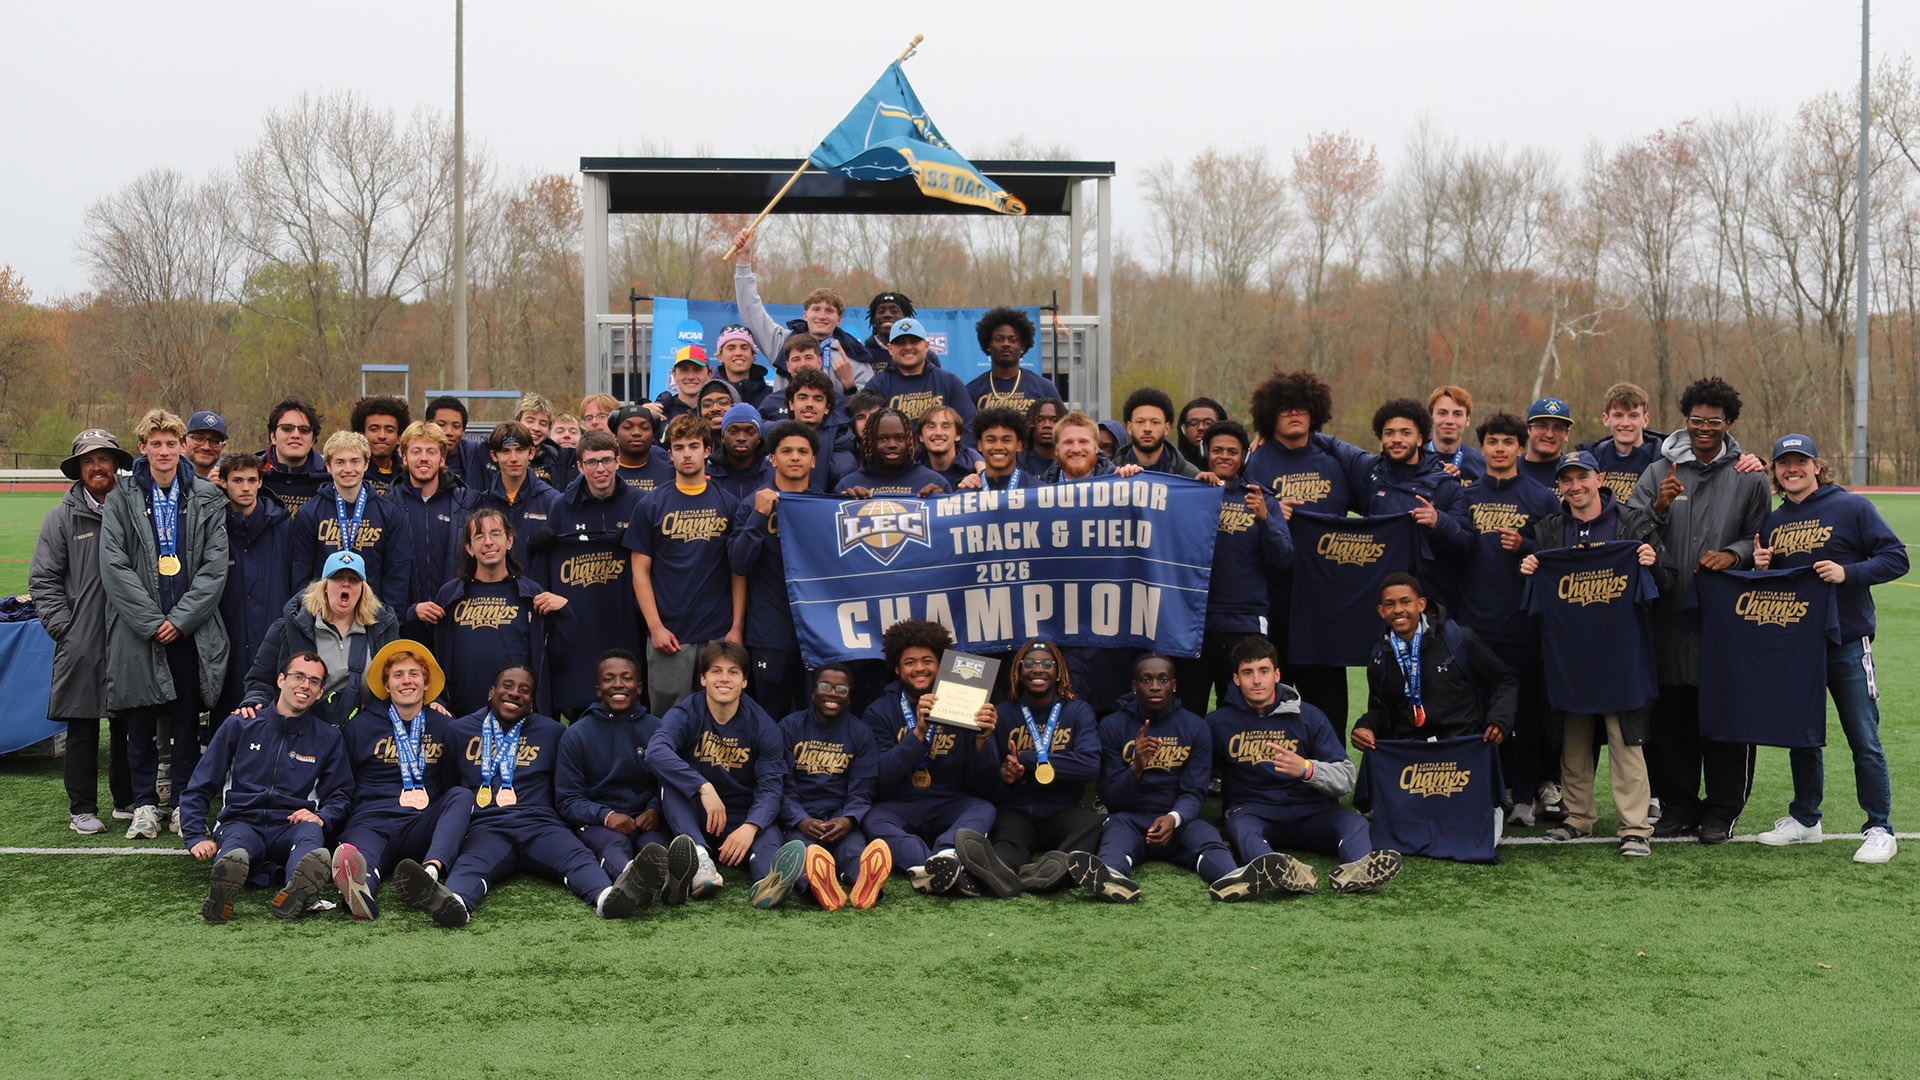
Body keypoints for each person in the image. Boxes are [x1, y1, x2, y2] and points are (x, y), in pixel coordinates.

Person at [390, 665, 656, 927]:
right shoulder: (459, 730)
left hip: (540, 823)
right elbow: (449, 782)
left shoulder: (553, 732)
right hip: (487, 825)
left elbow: (567, 786)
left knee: (578, 857)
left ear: (532, 703)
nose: (515, 693)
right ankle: (456, 905)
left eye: (525, 690)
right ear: (491, 692)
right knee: (469, 866)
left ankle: (607, 899)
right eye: (507, 686)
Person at [1751, 434, 1909, 863]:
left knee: (1863, 737)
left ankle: (1880, 828)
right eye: (1784, 463)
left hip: (1847, 643)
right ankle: (1806, 819)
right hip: (1797, 646)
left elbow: (1897, 558)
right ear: (1775, 472)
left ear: (1817, 466)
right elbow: (1776, 589)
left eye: (1800, 461)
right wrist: (1761, 567)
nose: (1792, 469)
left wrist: (1848, 573)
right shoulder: (1773, 522)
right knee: (1801, 736)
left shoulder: (1852, 507)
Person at [1628, 376, 1770, 844]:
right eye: (1696, 420)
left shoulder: (1749, 476)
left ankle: (1722, 810)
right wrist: (1659, 507)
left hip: (1726, 617)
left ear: (1729, 424)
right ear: (1684, 420)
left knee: (1724, 714)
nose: (1704, 428)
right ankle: (1679, 806)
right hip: (1668, 613)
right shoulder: (1658, 471)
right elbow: (1629, 531)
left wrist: (1733, 554)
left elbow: (1761, 538)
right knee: (1671, 716)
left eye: (1714, 421)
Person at [1520, 451, 1666, 856]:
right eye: (1566, 480)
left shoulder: (1633, 523)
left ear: (1599, 478)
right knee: (1573, 737)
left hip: (1623, 651)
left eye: (1582, 477)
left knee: (1625, 739)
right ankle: (1578, 817)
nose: (1575, 486)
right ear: (1559, 487)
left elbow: (1667, 580)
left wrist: (1652, 562)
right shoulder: (1550, 530)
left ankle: (1634, 827)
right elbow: (1535, 591)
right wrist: (1530, 567)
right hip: (1569, 653)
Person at [102, 409, 229, 841]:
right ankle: (143, 804)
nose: (163, 451)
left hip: (188, 630)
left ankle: (180, 803)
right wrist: (152, 621)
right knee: (139, 721)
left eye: (170, 443)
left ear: (182, 447)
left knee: (185, 722)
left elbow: (214, 568)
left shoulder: (207, 497)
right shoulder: (121, 498)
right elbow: (114, 565)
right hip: (138, 630)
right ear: (142, 448)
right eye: (155, 443)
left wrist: (180, 619)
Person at [1207, 637, 1403, 897]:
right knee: (1240, 827)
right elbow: (1197, 773)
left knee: (1353, 824)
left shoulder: (1309, 716)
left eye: (1264, 671)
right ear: (1236, 679)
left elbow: (1346, 778)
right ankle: (1277, 868)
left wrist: (1307, 769)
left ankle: (1357, 870)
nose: (1256, 681)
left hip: (1311, 810)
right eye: (1248, 673)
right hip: (1254, 810)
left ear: (1277, 675)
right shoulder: (1218, 723)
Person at [1243, 369, 1372, 729]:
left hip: (1325, 604)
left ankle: (1328, 760)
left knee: (1328, 705)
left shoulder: (1334, 460)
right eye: (1284, 408)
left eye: (1301, 406)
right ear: (1269, 415)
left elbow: (1380, 500)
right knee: (1270, 704)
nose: (1294, 413)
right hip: (1275, 601)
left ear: (1316, 410)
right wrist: (1271, 516)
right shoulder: (1256, 461)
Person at [179, 651, 350, 922]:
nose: (305, 685)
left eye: (314, 681)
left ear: (320, 693)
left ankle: (295, 892)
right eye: (298, 677)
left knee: (310, 839)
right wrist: (195, 835)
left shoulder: (328, 737)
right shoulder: (240, 724)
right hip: (242, 821)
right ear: (281, 680)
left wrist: (322, 816)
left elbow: (341, 793)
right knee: (237, 849)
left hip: (292, 824)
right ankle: (222, 893)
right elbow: (201, 783)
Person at [1455, 413, 1562, 826]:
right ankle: (1489, 793)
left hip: (1523, 623)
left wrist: (1525, 544)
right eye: (1492, 441)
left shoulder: (1541, 498)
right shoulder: (1465, 496)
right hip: (1475, 625)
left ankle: (1525, 797)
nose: (1499, 448)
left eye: (1507, 442)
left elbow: (1554, 554)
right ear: (1482, 447)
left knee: (1526, 714)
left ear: (1520, 447)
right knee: (1479, 714)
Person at [647, 641, 806, 909]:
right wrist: (703, 787)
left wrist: (750, 826)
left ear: (744, 681)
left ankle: (768, 882)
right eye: (716, 671)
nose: (724, 679)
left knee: (767, 835)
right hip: (697, 812)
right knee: (670, 784)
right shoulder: (686, 712)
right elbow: (656, 752)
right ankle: (700, 861)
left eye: (733, 672)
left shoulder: (763, 725)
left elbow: (770, 788)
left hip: (741, 816)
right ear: (703, 679)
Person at [32, 429, 135, 834]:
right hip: (82, 638)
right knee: (82, 725)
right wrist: (66, 629)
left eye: (104, 459)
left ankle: (127, 800)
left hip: (129, 635)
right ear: (78, 469)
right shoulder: (61, 518)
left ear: (116, 465)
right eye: (89, 461)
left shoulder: (134, 510)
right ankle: (83, 809)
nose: (97, 467)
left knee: (129, 724)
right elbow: (43, 580)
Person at [1069, 655, 1236, 903]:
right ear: (1134, 686)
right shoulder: (1112, 726)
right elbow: (1111, 799)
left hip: (1179, 819)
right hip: (1130, 818)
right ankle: (1112, 878)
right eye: (1146, 680)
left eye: (1163, 679)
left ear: (1174, 685)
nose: (1155, 686)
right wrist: (1136, 767)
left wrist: (1173, 818)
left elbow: (1194, 792)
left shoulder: (1195, 727)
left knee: (1207, 838)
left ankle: (1231, 879)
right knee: (1114, 838)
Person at [330, 642, 473, 919]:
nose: (406, 681)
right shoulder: (359, 727)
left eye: (414, 674)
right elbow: (345, 783)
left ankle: (430, 874)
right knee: (362, 860)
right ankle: (360, 892)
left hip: (422, 823)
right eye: (398, 675)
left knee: (461, 795)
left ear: (426, 683)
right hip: (372, 820)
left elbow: (450, 780)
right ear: (386, 685)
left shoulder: (446, 726)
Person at [861, 619, 1001, 897]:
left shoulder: (967, 704)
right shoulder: (879, 711)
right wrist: (919, 732)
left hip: (951, 801)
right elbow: (882, 779)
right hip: (901, 804)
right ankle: (941, 865)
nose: (919, 668)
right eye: (910, 662)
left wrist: (982, 741)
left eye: (927, 661)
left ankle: (946, 855)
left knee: (984, 808)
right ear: (897, 668)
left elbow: (985, 784)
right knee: (873, 819)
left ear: (940, 666)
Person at [958, 640, 1104, 897]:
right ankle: (1001, 871)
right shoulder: (1001, 713)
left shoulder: (1078, 711)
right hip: (1016, 809)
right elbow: (983, 782)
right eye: (1029, 663)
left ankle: (1053, 869)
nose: (1038, 669)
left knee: (1092, 823)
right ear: (1018, 672)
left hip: (1062, 810)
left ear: (1058, 673)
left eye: (1047, 664)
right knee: (1007, 843)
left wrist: (1028, 759)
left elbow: (1090, 765)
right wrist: (1006, 776)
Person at [625, 414, 746, 714]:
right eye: (679, 448)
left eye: (694, 446)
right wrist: (655, 627)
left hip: (718, 631)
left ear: (707, 451)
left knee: (720, 715)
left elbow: (738, 570)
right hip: (670, 633)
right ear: (669, 454)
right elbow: (639, 572)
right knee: (669, 718)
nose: (687, 454)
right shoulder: (651, 505)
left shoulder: (728, 503)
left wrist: (736, 627)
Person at [1176, 421, 1292, 714]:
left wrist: (1265, 519)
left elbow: (1283, 560)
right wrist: (1193, 493)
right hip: (1194, 625)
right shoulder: (1188, 493)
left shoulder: (1262, 499)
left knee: (1242, 713)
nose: (1225, 456)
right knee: (1189, 710)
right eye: (1218, 450)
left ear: (1244, 456)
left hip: (1245, 624)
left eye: (1232, 451)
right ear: (1206, 452)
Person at [536, 430, 644, 717]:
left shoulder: (640, 503)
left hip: (625, 617)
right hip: (580, 621)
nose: (600, 469)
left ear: (618, 461)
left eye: (607, 460)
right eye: (592, 462)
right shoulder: (562, 506)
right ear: (579, 466)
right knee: (580, 703)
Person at [1350, 574, 1516, 750]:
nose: (1398, 610)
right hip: (1412, 751)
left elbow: (1504, 680)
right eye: (1390, 604)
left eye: (1406, 602)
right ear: (1381, 611)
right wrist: (1365, 727)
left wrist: (1499, 719)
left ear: (1421, 604)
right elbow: (1380, 709)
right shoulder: (1381, 655)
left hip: (1464, 746)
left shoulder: (1458, 639)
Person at [433, 508, 572, 716]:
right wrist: (414, 615)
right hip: (462, 716)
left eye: (495, 534)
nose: (488, 542)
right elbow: (432, 653)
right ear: (469, 547)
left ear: (509, 541)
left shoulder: (532, 594)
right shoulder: (450, 595)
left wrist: (564, 613)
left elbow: (558, 654)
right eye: (479, 536)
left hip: (519, 715)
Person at [778, 663, 891, 910]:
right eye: (825, 686)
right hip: (802, 818)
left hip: (840, 816)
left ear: (849, 697)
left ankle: (865, 882)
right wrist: (800, 819)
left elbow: (863, 787)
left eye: (841, 689)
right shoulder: (789, 727)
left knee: (853, 850)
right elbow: (782, 784)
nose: (832, 694)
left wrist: (849, 819)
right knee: (804, 853)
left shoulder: (860, 732)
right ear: (812, 692)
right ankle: (817, 886)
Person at [242, 551, 399, 728]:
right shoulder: (288, 627)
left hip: (363, 730)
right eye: (337, 578)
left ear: (363, 589)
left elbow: (396, 680)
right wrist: (254, 701)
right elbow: (260, 679)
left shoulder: (382, 629)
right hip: (304, 728)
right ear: (324, 586)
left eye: (354, 580)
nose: (346, 584)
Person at [556, 650, 672, 888]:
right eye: (609, 679)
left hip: (645, 820)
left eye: (626, 678)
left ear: (639, 687)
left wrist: (655, 810)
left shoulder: (658, 729)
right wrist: (606, 816)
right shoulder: (576, 734)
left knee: (656, 848)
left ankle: (672, 884)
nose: (618, 684)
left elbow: (667, 783)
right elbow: (567, 800)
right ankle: (632, 881)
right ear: (598, 689)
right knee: (614, 846)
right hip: (599, 823)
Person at [729, 421, 820, 716]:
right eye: (787, 451)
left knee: (815, 718)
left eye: (802, 452)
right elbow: (739, 563)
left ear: (813, 460)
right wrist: (759, 515)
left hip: (818, 633)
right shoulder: (752, 505)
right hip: (770, 634)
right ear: (773, 459)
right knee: (769, 716)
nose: (795, 457)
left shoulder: (823, 504)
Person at [1357, 397, 1473, 612]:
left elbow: (1466, 547)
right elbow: (1337, 448)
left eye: (1405, 433)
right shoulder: (1369, 477)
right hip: (1378, 597)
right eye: (1389, 433)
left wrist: (1439, 521)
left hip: (1431, 601)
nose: (1397, 439)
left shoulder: (1446, 484)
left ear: (1420, 439)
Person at [733, 228, 875, 395]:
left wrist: (849, 385)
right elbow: (751, 312)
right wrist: (743, 258)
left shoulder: (854, 355)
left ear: (839, 319)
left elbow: (868, 404)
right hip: (786, 413)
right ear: (805, 315)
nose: (821, 316)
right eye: (816, 309)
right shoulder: (783, 342)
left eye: (829, 311)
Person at [212, 450, 297, 724]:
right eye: (237, 480)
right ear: (224, 482)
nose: (245, 488)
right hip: (228, 636)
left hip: (273, 635)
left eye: (251, 480)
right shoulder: (214, 525)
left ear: (261, 482)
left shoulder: (284, 526)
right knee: (227, 717)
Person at [290, 431, 413, 611]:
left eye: (355, 461)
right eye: (340, 462)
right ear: (328, 466)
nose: (348, 469)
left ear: (366, 464)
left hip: (372, 615)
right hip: (323, 615)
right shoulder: (309, 512)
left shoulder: (389, 513)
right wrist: (309, 614)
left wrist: (388, 618)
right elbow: (301, 570)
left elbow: (397, 573)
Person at [389, 420, 472, 643]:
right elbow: (382, 572)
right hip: (405, 628)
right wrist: (410, 610)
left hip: (457, 624)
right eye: (416, 451)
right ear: (404, 458)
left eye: (431, 451)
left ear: (442, 459)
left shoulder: (465, 505)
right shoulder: (387, 506)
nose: (424, 458)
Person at [867, 318, 975, 427]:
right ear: (890, 349)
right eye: (900, 343)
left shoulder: (949, 382)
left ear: (926, 346)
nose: (908, 347)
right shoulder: (877, 386)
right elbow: (865, 427)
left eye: (914, 341)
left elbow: (969, 425)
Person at [470, 421, 561, 539]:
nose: (513, 458)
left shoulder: (552, 501)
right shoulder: (481, 503)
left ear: (531, 453)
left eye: (520, 450)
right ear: (494, 455)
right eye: (505, 451)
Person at [837, 407, 950, 498]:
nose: (892, 445)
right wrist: (846, 502)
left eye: (900, 438)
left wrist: (941, 502)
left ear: (910, 441)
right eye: (882, 439)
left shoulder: (934, 482)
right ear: (869, 442)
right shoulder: (848, 485)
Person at [1581, 382, 1665, 501]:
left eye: (1633, 416)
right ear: (1606, 419)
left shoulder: (1663, 461)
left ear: (1645, 420)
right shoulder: (1592, 459)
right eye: (1618, 415)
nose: (1625, 423)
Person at [967, 307, 1060, 414]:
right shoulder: (972, 390)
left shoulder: (1044, 388)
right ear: (988, 345)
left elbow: (1060, 423)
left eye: (1013, 340)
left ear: (1023, 347)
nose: (1006, 344)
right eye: (999, 339)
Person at [256, 397, 330, 514]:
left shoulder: (330, 478)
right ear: (273, 436)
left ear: (313, 440)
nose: (296, 435)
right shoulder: (251, 474)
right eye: (287, 429)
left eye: (304, 430)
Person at [1117, 387, 1203, 478]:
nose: (1147, 429)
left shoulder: (1190, 476)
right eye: (1140, 422)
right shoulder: (1112, 474)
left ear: (1167, 428)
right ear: (1129, 427)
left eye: (1155, 422)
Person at [512, 392, 577, 490]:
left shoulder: (562, 459)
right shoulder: (500, 455)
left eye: (543, 423)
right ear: (517, 422)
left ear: (549, 429)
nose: (536, 428)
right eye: (530, 421)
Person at [1424, 385, 1485, 485]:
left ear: (1467, 420)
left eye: (1457, 414)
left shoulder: (1480, 463)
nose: (1449, 421)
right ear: (1431, 417)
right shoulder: (1414, 459)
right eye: (1442, 413)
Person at [425, 395, 491, 487]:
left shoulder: (477, 455)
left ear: (463, 431)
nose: (449, 432)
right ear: (428, 426)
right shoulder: (414, 457)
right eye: (441, 425)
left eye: (456, 426)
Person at [709, 404, 771, 501]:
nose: (741, 438)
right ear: (722, 438)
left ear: (759, 439)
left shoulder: (773, 475)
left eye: (750, 432)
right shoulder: (707, 475)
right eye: (733, 431)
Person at [350, 395, 410, 494]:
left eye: (389, 430)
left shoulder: (409, 475)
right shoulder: (348, 473)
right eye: (374, 429)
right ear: (361, 435)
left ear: (399, 438)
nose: (382, 436)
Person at [610, 403, 674, 495]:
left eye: (644, 428)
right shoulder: (605, 471)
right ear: (615, 435)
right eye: (627, 427)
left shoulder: (670, 473)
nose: (636, 433)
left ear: (653, 435)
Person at [970, 408, 1038, 491]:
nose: (998, 447)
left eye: (1006, 440)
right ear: (980, 445)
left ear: (1019, 445)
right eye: (991, 440)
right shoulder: (965, 492)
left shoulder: (1038, 491)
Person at [917, 406, 983, 488]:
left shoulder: (974, 470)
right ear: (921, 436)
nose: (938, 433)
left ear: (958, 435)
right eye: (931, 427)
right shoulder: (912, 470)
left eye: (945, 427)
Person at [711, 324, 772, 409]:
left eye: (744, 348)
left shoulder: (771, 396)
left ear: (753, 356)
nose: (738, 353)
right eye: (731, 348)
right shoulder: (708, 394)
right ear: (720, 356)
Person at [1519, 397, 1575, 490]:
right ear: (1528, 429)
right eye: (1542, 426)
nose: (1549, 435)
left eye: (1558, 428)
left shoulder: (1574, 474)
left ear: (1567, 434)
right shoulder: (1510, 471)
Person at [653, 349, 713, 425]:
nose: (691, 377)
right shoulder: (659, 412)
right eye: (684, 370)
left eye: (697, 370)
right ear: (674, 374)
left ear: (709, 374)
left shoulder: (717, 412)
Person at [861, 291, 916, 368]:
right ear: (873, 321)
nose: (887, 315)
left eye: (894, 311)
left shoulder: (921, 355)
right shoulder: (861, 355)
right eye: (881, 311)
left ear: (906, 319)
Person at [1175, 397, 1227, 471]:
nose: (1201, 428)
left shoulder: (1234, 465)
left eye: (1208, 423)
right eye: (1194, 423)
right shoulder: (1171, 464)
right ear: (1184, 429)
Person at [1021, 398, 1065, 476]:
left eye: (1054, 420)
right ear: (1030, 423)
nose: (1047, 425)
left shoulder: (1070, 460)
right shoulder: (1017, 462)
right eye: (1040, 420)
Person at [183, 411, 228, 480]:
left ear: (222, 446)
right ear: (184, 442)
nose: (206, 447)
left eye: (214, 441)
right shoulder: (170, 478)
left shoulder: (229, 481)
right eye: (198, 439)